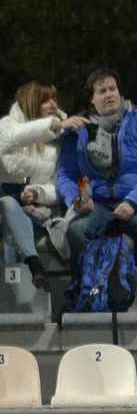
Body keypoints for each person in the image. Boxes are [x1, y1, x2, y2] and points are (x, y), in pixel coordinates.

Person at [57, 68, 137, 283]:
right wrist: (76, 199)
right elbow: (66, 174)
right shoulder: (78, 130)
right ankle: (90, 292)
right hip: (97, 204)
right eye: (102, 91)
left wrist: (133, 202)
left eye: (113, 89)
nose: (109, 94)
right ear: (91, 99)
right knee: (76, 231)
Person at [0, 81, 86, 287]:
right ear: (31, 103)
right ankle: (33, 269)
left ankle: (19, 299)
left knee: (12, 230)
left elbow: (58, 185)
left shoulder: (61, 140)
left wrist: (36, 192)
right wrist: (54, 125)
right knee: (7, 205)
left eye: (55, 99)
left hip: (34, 209)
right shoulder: (6, 125)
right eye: (46, 100)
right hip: (6, 196)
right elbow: (11, 139)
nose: (53, 105)